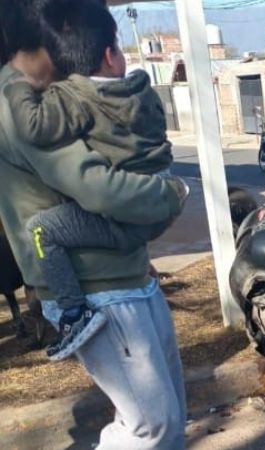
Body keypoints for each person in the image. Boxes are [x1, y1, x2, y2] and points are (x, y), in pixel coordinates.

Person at [0, 1, 188, 447]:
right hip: (97, 286)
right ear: (51, 36)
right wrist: (168, 196)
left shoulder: (45, 95)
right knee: (151, 426)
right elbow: (97, 186)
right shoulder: (19, 108)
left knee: (170, 418)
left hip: (123, 275)